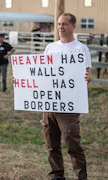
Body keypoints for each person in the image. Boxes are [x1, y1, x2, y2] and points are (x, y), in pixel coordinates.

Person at [40, 13, 91, 180]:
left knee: (72, 145)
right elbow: (42, 75)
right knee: (51, 144)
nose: (61, 27)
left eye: (65, 24)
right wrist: (21, 79)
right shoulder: (50, 48)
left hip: (69, 106)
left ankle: (81, 177)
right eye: (59, 24)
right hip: (49, 105)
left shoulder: (81, 49)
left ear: (73, 26)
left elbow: (87, 75)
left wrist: (87, 78)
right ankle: (57, 175)